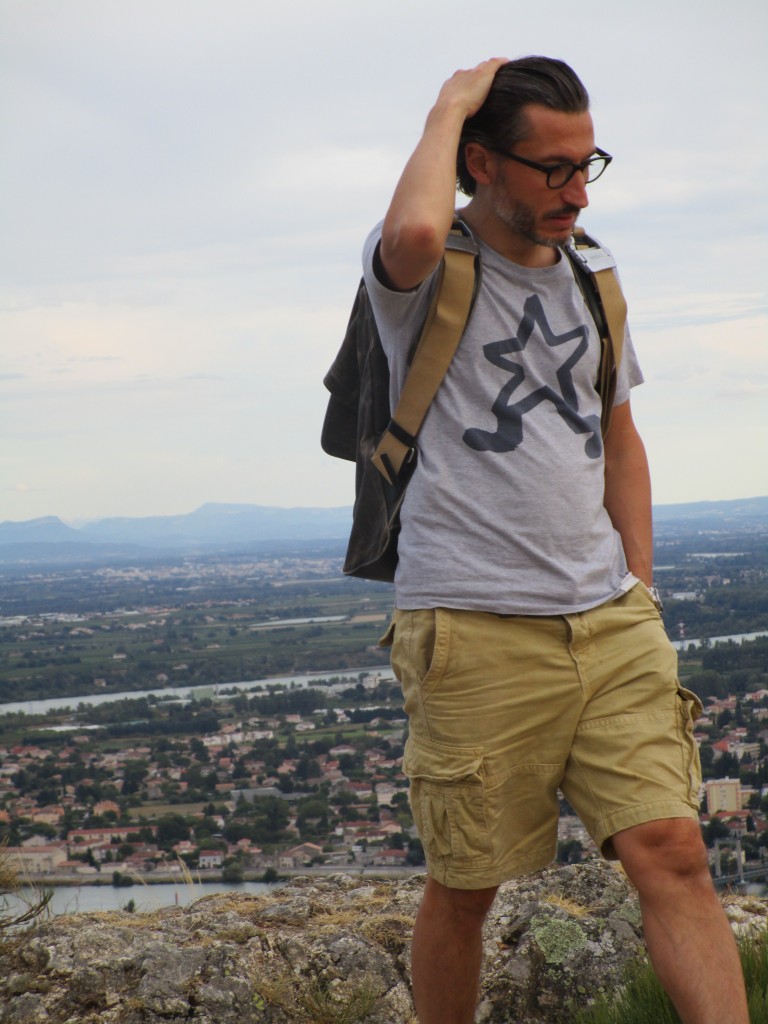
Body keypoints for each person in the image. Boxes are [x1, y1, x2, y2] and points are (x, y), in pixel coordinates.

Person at [362, 56, 748, 1024]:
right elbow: (413, 230)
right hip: (474, 624)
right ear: (480, 163)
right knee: (467, 888)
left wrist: (642, 592)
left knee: (675, 853)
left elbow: (619, 436)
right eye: (553, 169)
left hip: (609, 617)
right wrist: (449, 103)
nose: (578, 191)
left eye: (589, 165)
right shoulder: (426, 273)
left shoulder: (594, 274)